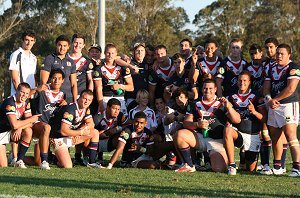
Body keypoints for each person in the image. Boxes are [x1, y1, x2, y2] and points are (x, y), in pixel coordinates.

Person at [174, 79, 240, 173]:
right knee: (179, 135)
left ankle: (222, 160)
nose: (207, 91)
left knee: (218, 169)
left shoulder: (222, 103)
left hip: (217, 141)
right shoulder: (194, 104)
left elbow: (237, 120)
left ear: (216, 89)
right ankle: (189, 165)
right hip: (202, 138)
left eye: (210, 88)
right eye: (205, 88)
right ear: (201, 89)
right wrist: (197, 124)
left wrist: (229, 107)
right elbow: (186, 123)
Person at [263, 43, 300, 177]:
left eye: (282, 53)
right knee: (275, 135)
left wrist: (275, 99)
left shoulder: (293, 68)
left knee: (290, 134)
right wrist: (268, 99)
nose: (279, 56)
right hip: (273, 105)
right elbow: (266, 88)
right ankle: (278, 166)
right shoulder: (271, 68)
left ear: (289, 55)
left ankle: (297, 167)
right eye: (278, 53)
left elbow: (290, 89)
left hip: (288, 105)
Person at [8, 30, 40, 164]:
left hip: (31, 97)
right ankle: (14, 156)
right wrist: (22, 96)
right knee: (16, 127)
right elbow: (15, 78)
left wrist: (34, 93)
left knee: (27, 126)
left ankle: (18, 156)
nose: (29, 43)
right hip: (19, 97)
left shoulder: (34, 57)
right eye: (27, 40)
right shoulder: (16, 54)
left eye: (32, 40)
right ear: (23, 40)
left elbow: (33, 77)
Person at [48, 89, 100, 168]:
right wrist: (80, 132)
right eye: (85, 99)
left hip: (71, 136)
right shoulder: (71, 109)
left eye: (89, 100)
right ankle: (55, 159)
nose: (87, 102)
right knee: (67, 166)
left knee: (94, 132)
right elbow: (63, 131)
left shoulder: (86, 109)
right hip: (58, 138)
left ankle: (91, 162)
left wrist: (79, 131)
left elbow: (91, 124)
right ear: (79, 98)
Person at [224, 71, 263, 175]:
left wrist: (254, 112)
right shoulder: (231, 97)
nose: (242, 83)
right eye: (240, 80)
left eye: (245, 80)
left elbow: (264, 118)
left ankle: (244, 158)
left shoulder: (257, 96)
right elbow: (227, 115)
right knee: (227, 130)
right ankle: (232, 165)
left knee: (250, 169)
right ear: (237, 82)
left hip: (253, 135)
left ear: (249, 82)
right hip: (239, 133)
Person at [31, 68, 67, 170]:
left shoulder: (63, 95)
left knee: (36, 162)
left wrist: (66, 105)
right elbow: (26, 95)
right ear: (50, 79)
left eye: (59, 78)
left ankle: (15, 157)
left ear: (63, 80)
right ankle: (45, 161)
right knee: (46, 128)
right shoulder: (43, 91)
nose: (56, 80)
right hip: (40, 125)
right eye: (54, 78)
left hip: (53, 129)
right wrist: (37, 89)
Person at [0, 83, 41, 168]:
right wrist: (30, 120)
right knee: (3, 165)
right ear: (16, 91)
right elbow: (16, 124)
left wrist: (20, 127)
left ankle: (19, 160)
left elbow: (29, 124)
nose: (24, 95)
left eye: (26, 93)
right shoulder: (10, 103)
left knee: (28, 131)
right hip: (1, 133)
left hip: (9, 131)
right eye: (22, 92)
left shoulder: (26, 102)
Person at [93, 43, 134, 115]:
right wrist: (101, 103)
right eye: (108, 53)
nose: (110, 55)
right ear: (105, 53)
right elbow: (98, 88)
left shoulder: (123, 68)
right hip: (106, 99)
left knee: (122, 122)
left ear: (116, 54)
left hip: (120, 98)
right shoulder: (99, 68)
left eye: (112, 53)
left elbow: (131, 87)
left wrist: (120, 86)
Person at [40, 35, 78, 103]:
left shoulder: (71, 62)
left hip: (67, 97)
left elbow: (74, 84)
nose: (62, 48)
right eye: (60, 45)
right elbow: (43, 82)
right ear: (56, 45)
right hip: (52, 98)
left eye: (65, 46)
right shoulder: (49, 59)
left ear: (68, 47)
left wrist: (75, 102)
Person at [93, 98, 128, 169]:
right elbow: (89, 133)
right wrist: (99, 134)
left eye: (118, 109)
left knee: (124, 136)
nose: (116, 111)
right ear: (108, 108)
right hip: (97, 142)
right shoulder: (98, 117)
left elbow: (128, 124)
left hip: (110, 142)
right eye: (114, 108)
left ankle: (125, 160)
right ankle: (91, 157)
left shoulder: (120, 116)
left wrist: (118, 129)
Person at [124, 42, 150, 112]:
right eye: (137, 51)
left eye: (142, 51)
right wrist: (124, 56)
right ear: (134, 52)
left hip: (144, 99)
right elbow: (116, 58)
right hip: (132, 97)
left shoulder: (147, 63)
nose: (140, 53)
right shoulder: (129, 62)